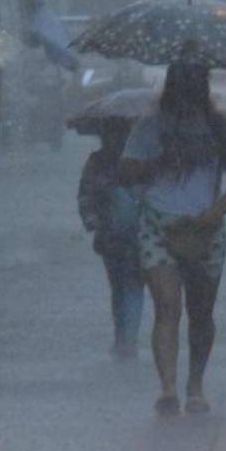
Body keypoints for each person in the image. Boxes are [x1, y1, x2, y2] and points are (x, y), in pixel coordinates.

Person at [120, 63, 226, 416]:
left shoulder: (220, 129)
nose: (189, 92)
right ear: (171, 88)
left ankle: (195, 384)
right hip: (158, 225)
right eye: (183, 85)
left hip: (206, 227)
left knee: (201, 311)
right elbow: (126, 170)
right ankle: (167, 388)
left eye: (196, 85)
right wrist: (158, 161)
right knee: (166, 306)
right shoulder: (151, 127)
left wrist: (216, 211)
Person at [78, 120, 144, 359]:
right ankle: (125, 338)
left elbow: (85, 196)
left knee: (127, 286)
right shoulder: (100, 162)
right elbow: (86, 196)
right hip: (119, 237)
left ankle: (126, 339)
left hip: (128, 236)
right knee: (125, 287)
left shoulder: (106, 161)